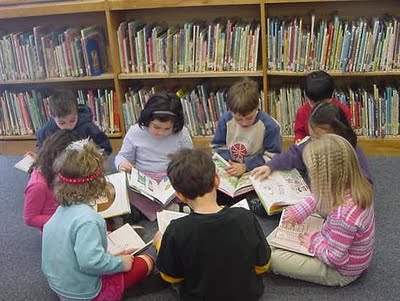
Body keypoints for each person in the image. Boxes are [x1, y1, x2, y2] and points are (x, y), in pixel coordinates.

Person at [42, 139, 154, 301]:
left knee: (121, 256)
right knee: (146, 261)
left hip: (59, 284)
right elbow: (90, 263)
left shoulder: (62, 209)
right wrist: (121, 263)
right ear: (98, 182)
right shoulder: (89, 219)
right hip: (85, 292)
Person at [154, 148, 271, 300]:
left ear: (179, 195)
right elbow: (263, 265)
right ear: (217, 180)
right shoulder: (245, 217)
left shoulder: (176, 229)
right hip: (248, 295)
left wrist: (159, 244)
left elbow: (171, 276)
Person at [268, 134, 375, 286]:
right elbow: (321, 197)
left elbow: (335, 259)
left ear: (327, 179)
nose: (310, 175)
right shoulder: (354, 184)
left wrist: (314, 241)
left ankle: (263, 253)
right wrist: (300, 211)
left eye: (312, 172)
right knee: (280, 233)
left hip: (339, 271)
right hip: (343, 248)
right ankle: (264, 249)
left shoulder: (343, 216)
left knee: (274, 259)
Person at [250, 102, 373, 216]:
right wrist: (271, 165)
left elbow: (364, 184)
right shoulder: (315, 141)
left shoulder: (352, 153)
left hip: (336, 201)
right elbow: (295, 153)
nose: (312, 142)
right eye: (311, 137)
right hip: (313, 192)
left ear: (337, 134)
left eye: (317, 139)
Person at [114, 91, 193, 221]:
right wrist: (122, 164)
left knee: (191, 183)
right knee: (125, 194)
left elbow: (189, 157)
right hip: (144, 181)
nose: (161, 132)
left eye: (167, 129)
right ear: (147, 118)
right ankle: (169, 210)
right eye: (156, 127)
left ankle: (155, 211)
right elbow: (121, 157)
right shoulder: (135, 132)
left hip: (171, 178)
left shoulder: (181, 133)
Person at [212, 78, 281, 177]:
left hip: (256, 170)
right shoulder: (225, 120)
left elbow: (273, 156)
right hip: (230, 166)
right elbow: (217, 147)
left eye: (249, 118)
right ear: (230, 110)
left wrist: (246, 165)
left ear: (257, 106)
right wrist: (230, 162)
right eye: (238, 119)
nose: (244, 123)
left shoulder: (269, 126)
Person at [24, 129, 80, 233]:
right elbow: (30, 218)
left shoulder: (52, 167)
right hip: (56, 227)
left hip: (66, 211)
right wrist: (63, 219)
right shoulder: (38, 185)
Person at [35, 89, 112, 155]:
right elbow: (41, 154)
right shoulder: (45, 132)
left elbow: (105, 148)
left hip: (86, 168)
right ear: (52, 116)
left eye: (72, 120)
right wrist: (38, 158)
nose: (68, 126)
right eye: (62, 123)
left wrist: (94, 155)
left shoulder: (87, 127)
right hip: (55, 170)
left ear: (77, 113)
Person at [294, 70, 351, 142]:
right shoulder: (302, 112)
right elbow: (299, 133)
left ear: (332, 96)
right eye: (313, 103)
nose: (319, 107)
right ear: (306, 97)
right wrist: (299, 141)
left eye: (323, 103)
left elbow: (347, 136)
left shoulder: (342, 111)